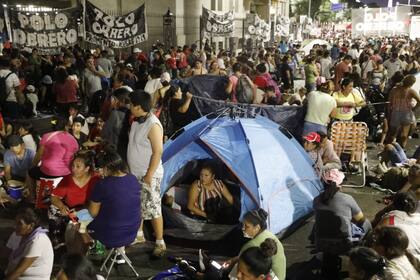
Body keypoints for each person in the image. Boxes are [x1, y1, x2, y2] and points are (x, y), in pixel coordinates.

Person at [127, 91, 166, 257]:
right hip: (136, 172)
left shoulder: (153, 124)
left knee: (153, 207)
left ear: (138, 107)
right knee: (138, 205)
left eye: (131, 104)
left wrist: (149, 175)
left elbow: (158, 151)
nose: (129, 106)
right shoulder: (136, 122)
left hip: (149, 174)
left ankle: (160, 242)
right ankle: (139, 235)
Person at [87, 148, 141, 250]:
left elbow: (92, 213)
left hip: (110, 236)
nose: (98, 172)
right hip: (132, 233)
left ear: (106, 168)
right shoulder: (133, 179)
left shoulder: (102, 184)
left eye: (99, 168)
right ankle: (120, 252)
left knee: (75, 221)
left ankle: (84, 254)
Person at [313, 169, 371, 243]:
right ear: (340, 184)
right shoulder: (347, 198)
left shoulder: (316, 200)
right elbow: (361, 220)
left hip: (320, 243)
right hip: (344, 244)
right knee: (367, 223)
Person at [27, 117, 79, 200]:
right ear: (66, 126)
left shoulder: (47, 136)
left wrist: (33, 166)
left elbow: (39, 155)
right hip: (66, 173)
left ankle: (32, 197)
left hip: (47, 172)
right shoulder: (73, 140)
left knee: (29, 173)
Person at [235, 209, 286, 280]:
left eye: (247, 226)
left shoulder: (251, 245)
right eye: (242, 225)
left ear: (257, 227)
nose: (243, 229)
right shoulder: (268, 234)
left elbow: (241, 264)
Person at [4, 208, 54, 280]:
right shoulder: (17, 235)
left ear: (31, 226)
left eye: (19, 223)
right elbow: (5, 254)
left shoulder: (38, 240)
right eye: (15, 222)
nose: (15, 226)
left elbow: (18, 271)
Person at [374, 191, 420, 258]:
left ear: (393, 204)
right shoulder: (418, 217)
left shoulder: (392, 218)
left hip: (401, 260)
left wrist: (387, 209)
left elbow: (374, 234)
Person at [386, 75, 420, 148]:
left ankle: (388, 149)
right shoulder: (411, 91)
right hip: (406, 113)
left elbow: (389, 102)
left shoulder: (394, 89)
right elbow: (419, 101)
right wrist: (413, 109)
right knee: (404, 135)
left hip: (396, 112)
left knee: (392, 134)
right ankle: (401, 150)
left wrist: (389, 112)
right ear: (412, 83)